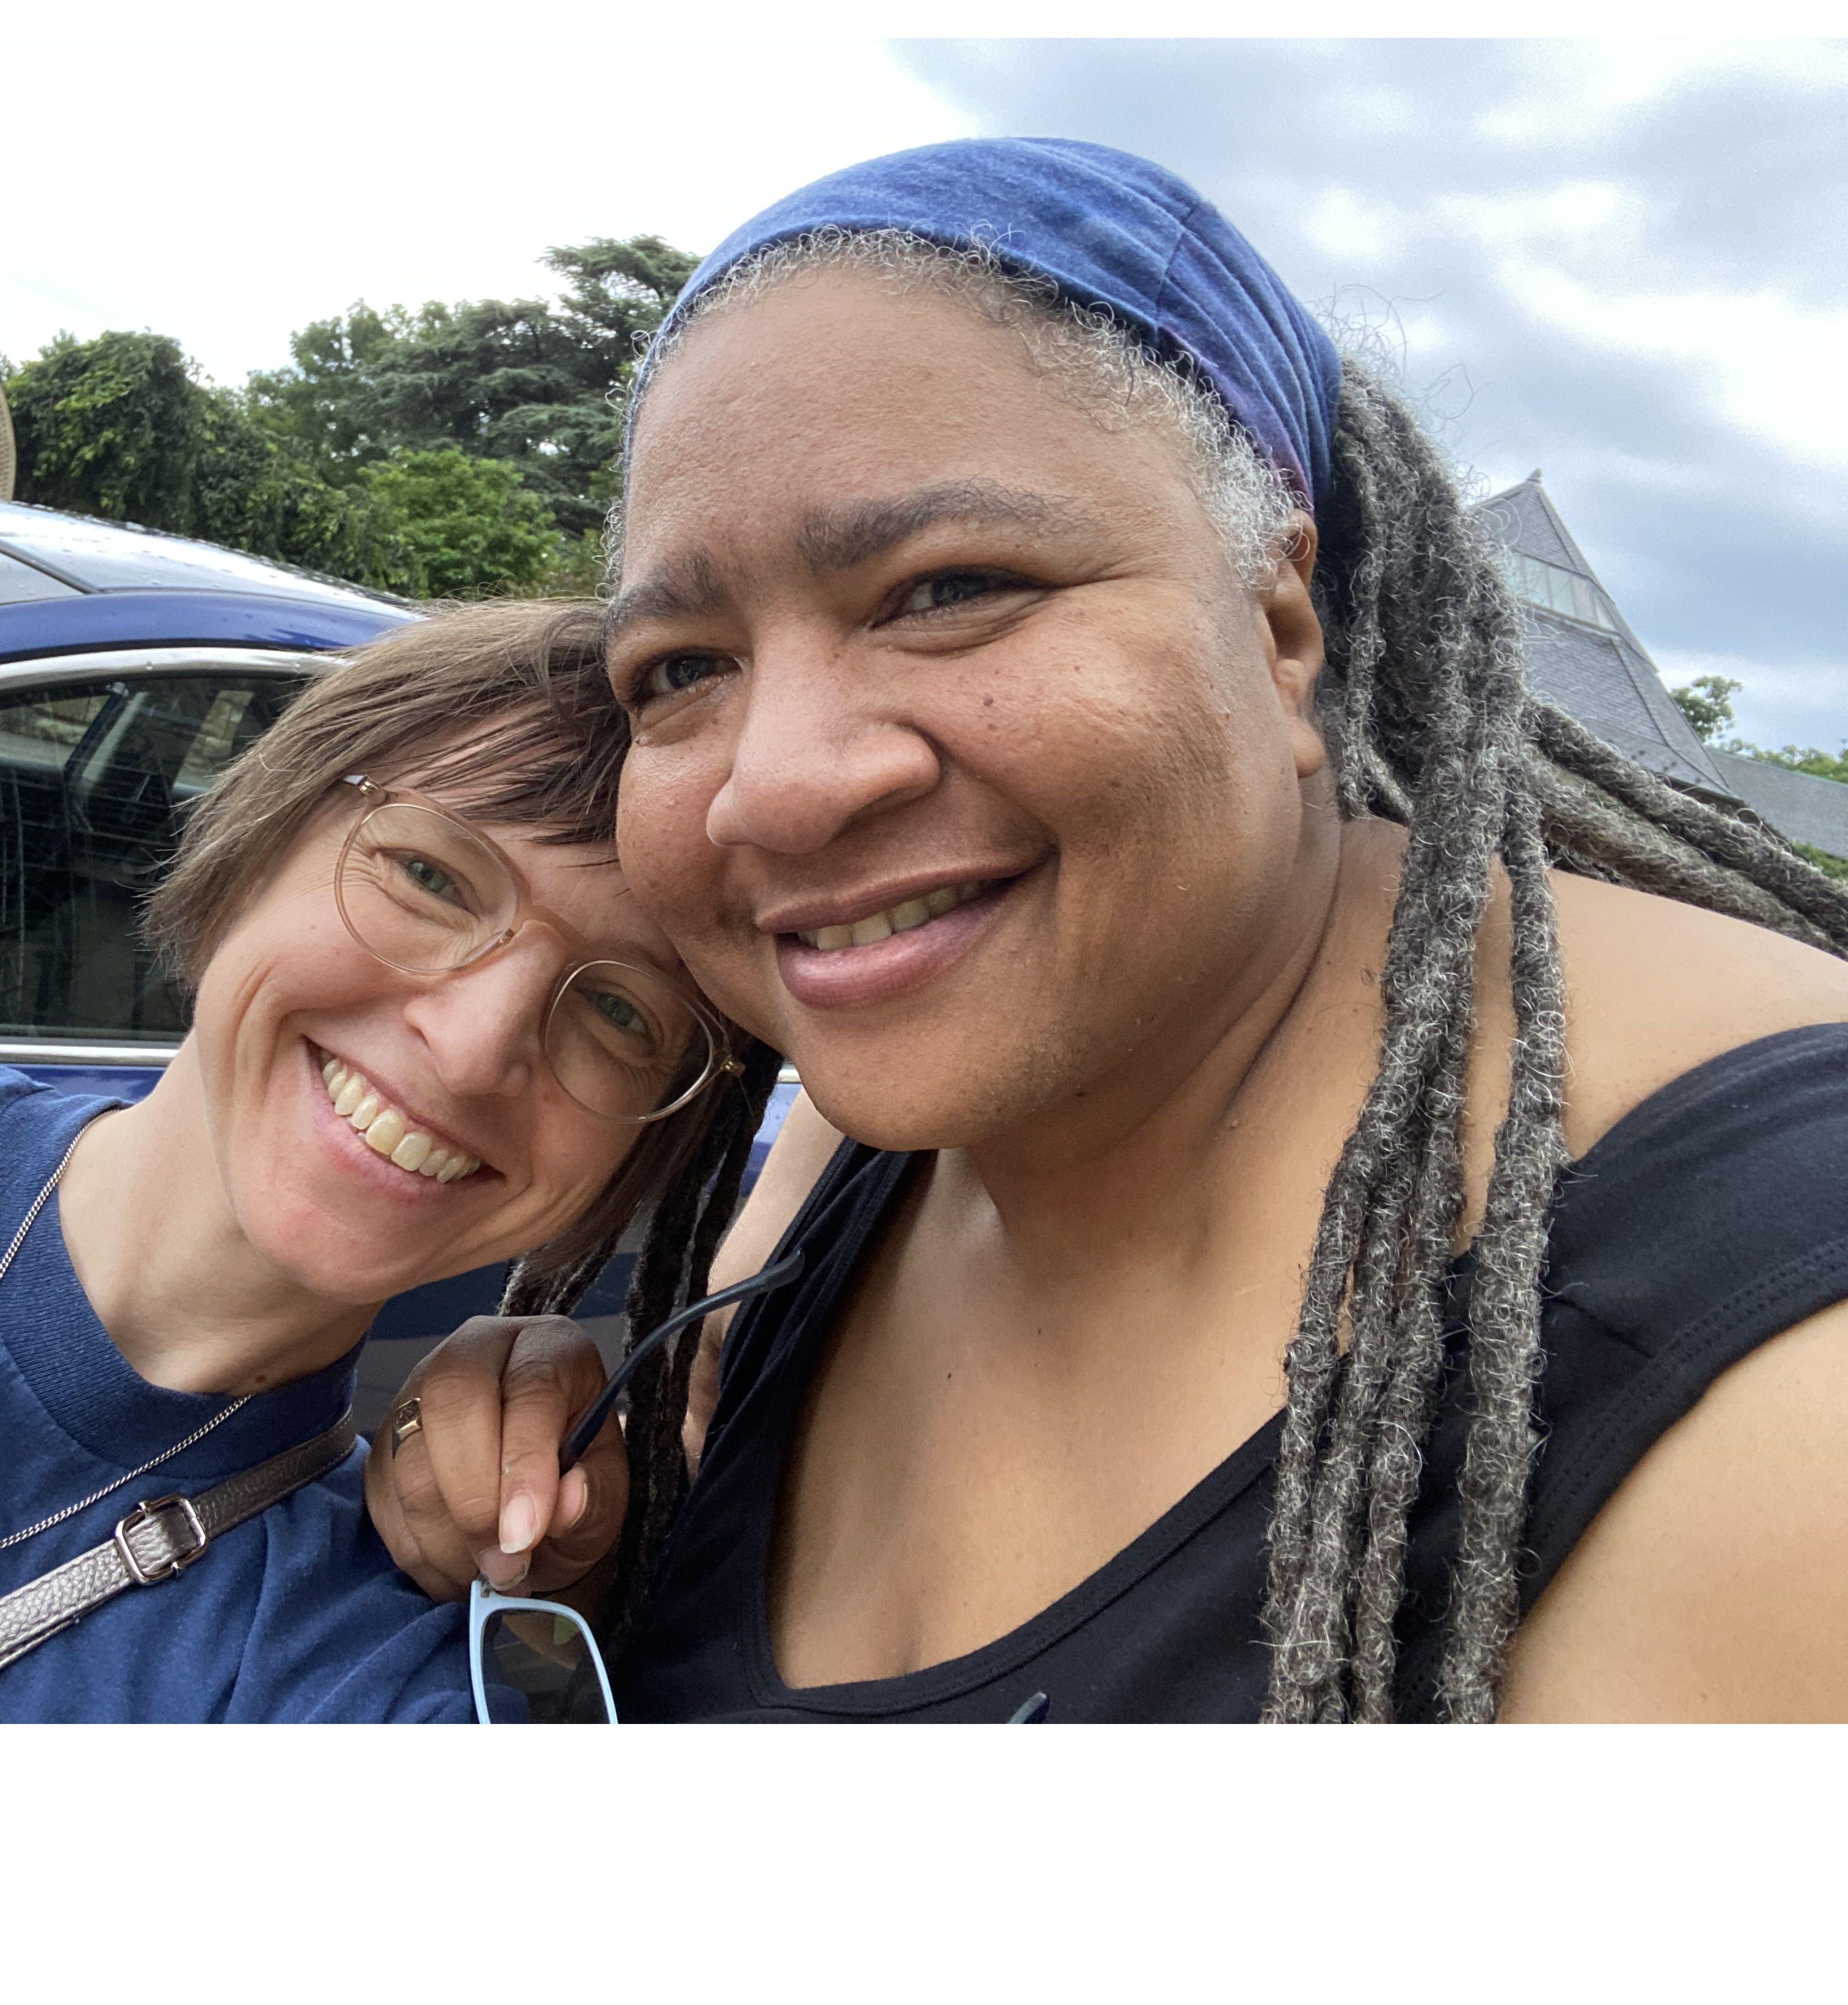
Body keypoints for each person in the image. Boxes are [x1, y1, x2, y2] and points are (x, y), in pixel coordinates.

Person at [366, 139, 1848, 1722]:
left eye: (947, 590)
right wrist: (572, 1555)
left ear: (1283, 626)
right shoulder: (872, 1142)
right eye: (678, 667)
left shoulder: (1769, 1356)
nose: (774, 790)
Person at [0, 601, 770, 1722]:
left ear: (642, 1156)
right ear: (258, 838)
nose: (470, 1053)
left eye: (621, 1015)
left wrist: (553, 1601)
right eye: (429, 876)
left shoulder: (364, 1672)